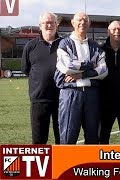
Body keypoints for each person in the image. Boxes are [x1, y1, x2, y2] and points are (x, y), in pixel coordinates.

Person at [54, 12, 108, 144]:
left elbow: (103, 70)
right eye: (79, 20)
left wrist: (81, 74)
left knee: (93, 136)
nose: (82, 22)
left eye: (85, 20)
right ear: (72, 22)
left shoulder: (95, 46)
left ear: (89, 23)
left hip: (91, 95)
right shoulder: (64, 43)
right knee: (68, 136)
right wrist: (90, 65)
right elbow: (68, 66)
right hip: (71, 93)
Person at [21, 12, 61, 144]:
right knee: (39, 141)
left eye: (52, 22)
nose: (49, 25)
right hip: (39, 100)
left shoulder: (65, 44)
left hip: (62, 99)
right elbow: (26, 69)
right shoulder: (30, 46)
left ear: (57, 25)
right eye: (45, 22)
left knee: (62, 140)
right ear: (40, 26)